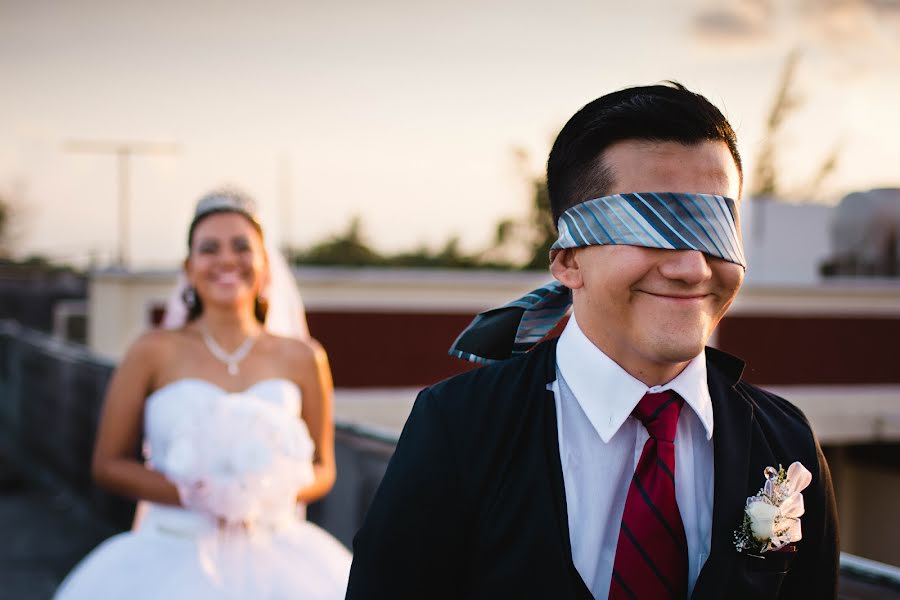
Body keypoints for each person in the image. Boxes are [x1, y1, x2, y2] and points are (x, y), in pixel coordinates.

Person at [346, 83, 839, 599]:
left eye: (717, 229)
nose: (693, 268)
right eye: (655, 226)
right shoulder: (459, 426)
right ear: (567, 259)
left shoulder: (785, 442)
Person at [55, 189, 351, 600]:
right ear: (189, 268)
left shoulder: (304, 356)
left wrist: (263, 491)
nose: (227, 260)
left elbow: (323, 469)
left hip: (278, 552)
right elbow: (108, 463)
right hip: (171, 549)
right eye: (209, 249)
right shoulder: (151, 351)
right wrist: (194, 494)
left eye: (242, 247)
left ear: (265, 267)